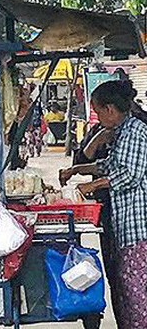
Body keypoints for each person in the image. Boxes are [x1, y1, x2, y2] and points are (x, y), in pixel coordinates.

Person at [59, 80, 147, 329]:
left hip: (137, 228)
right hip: (123, 225)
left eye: (98, 111)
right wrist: (78, 169)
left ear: (109, 109)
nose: (97, 116)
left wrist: (94, 185)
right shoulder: (121, 133)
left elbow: (130, 174)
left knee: (135, 291)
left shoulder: (136, 132)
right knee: (124, 289)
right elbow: (109, 165)